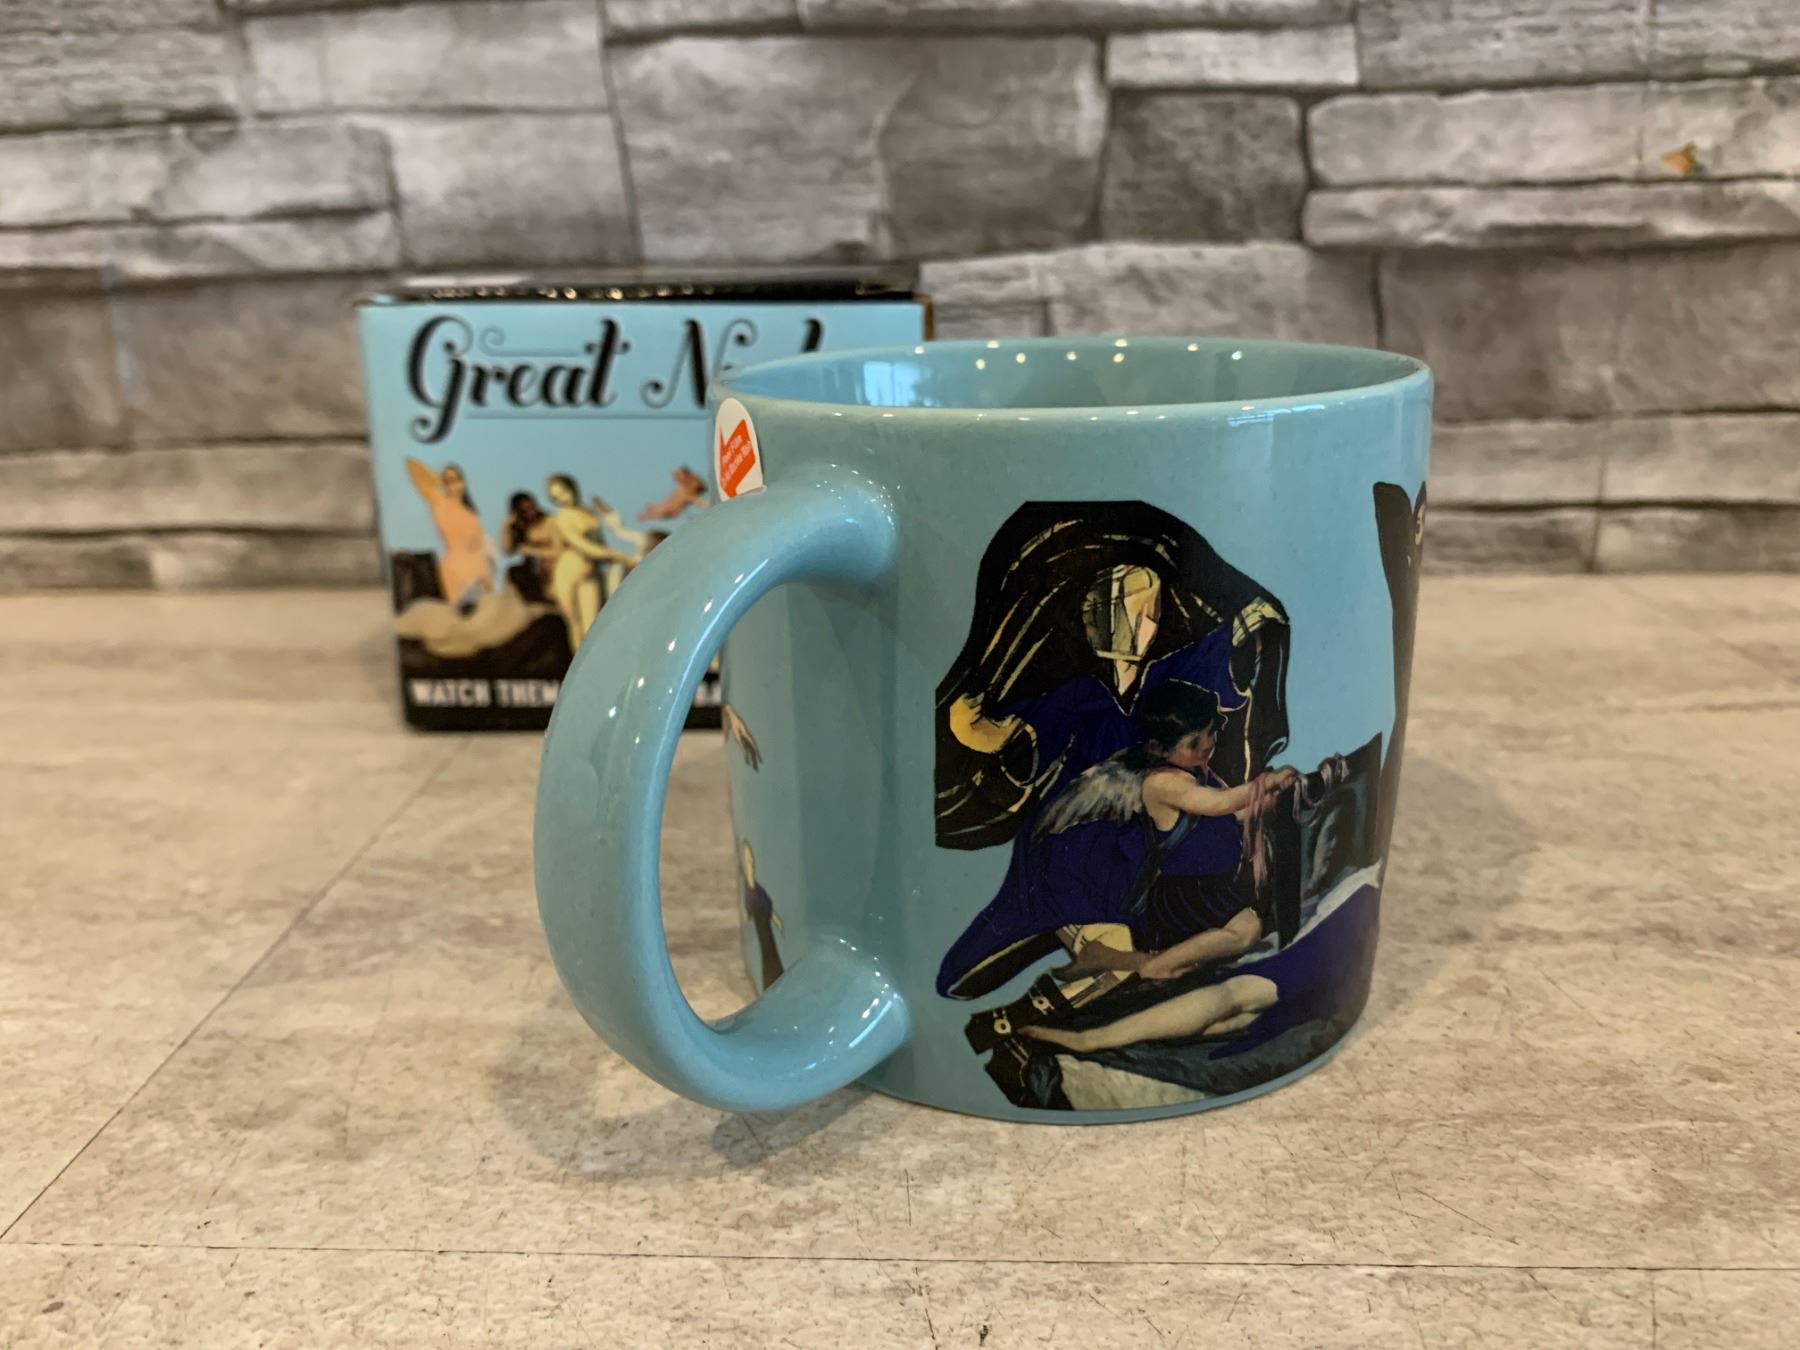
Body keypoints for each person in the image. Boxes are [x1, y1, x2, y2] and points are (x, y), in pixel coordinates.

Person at [938, 680, 1298, 999]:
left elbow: (1230, 811)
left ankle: (1114, 958)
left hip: (1205, 888)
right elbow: (1218, 804)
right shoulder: (1163, 782)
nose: (1208, 744)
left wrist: (1265, 799)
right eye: (1195, 741)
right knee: (1242, 934)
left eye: (1210, 733)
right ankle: (1145, 965)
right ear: (1159, 749)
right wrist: (1264, 783)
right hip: (1182, 897)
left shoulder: (1194, 770)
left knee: (1243, 932)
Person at [545, 473, 635, 651]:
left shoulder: (588, 512)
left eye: (564, 491)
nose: (563, 498)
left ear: (572, 487)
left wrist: (616, 557)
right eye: (557, 497)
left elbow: (600, 543)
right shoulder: (563, 517)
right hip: (569, 572)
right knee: (575, 624)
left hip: (590, 571)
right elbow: (584, 546)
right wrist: (618, 555)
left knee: (592, 625)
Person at [405, 459, 492, 609]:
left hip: (477, 569)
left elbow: (479, 548)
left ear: (464, 481)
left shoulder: (472, 514)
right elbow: (412, 467)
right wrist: (436, 479)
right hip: (454, 568)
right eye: (448, 480)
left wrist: (486, 579)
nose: (454, 484)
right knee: (459, 613)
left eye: (457, 479)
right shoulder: (439, 503)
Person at [640, 465, 710, 522]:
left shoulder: (687, 488)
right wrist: (649, 515)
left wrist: (649, 515)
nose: (676, 478)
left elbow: (697, 491)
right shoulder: (682, 489)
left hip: (674, 506)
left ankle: (654, 511)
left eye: (678, 475)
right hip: (670, 507)